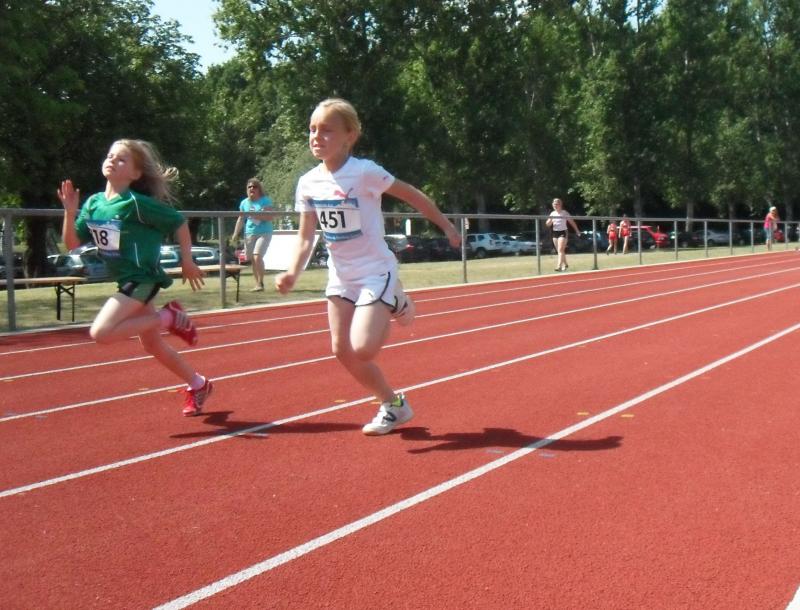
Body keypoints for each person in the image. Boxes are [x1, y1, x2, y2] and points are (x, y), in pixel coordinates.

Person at [275, 98, 461, 436]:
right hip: (341, 276)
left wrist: (447, 226)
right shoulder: (308, 183)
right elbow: (305, 237)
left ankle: (396, 300)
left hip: (376, 271)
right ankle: (393, 405)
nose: (316, 136)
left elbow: (412, 195)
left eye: (326, 130)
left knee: (363, 347)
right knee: (342, 350)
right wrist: (292, 272)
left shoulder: (364, 172)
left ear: (350, 135)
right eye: (312, 129)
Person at [57, 139, 213, 417]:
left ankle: (169, 317)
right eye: (110, 155)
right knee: (152, 344)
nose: (112, 160)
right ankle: (198, 384)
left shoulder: (136, 204)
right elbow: (71, 244)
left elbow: (178, 221)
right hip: (127, 280)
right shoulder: (93, 203)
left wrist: (187, 261)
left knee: (101, 332)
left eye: (121, 159)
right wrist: (70, 213)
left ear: (136, 174)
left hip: (142, 279)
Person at [230, 178, 275, 291]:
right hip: (249, 233)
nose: (251, 189)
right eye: (249, 187)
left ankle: (261, 283)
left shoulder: (265, 200)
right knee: (252, 259)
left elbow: (270, 217)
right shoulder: (244, 203)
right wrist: (235, 234)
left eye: (254, 187)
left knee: (257, 256)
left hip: (264, 232)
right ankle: (258, 284)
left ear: (259, 189)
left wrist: (256, 215)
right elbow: (241, 219)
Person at [545, 198, 580, 272]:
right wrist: (548, 222)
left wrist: (577, 230)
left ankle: (559, 266)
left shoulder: (564, 213)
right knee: (560, 251)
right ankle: (566, 264)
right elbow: (548, 224)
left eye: (556, 204)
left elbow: (572, 222)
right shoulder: (552, 213)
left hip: (563, 232)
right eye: (554, 204)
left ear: (560, 204)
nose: (555, 205)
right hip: (555, 232)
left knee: (560, 249)